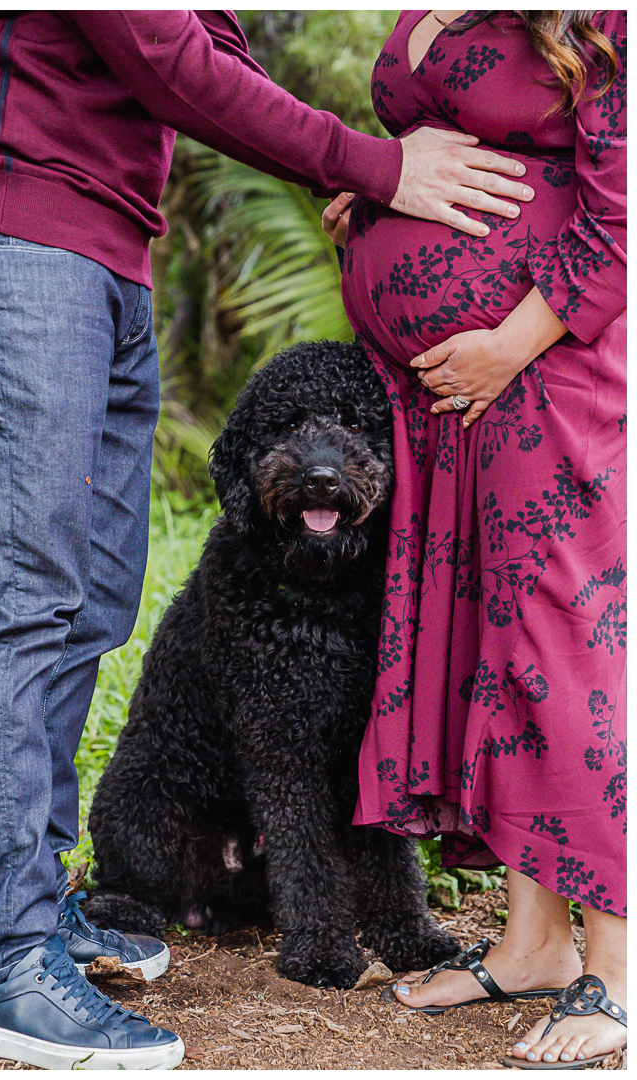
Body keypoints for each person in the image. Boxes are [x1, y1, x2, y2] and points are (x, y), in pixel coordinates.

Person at [0, 9, 537, 1072]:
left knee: (92, 599)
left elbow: (211, 39)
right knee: (24, 603)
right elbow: (165, 56)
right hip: (18, 234)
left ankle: (27, 904)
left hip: (107, 248)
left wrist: (338, 169)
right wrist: (375, 163)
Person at [323, 9, 626, 1070]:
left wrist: (506, 342)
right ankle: (534, 944)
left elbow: (623, 198)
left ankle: (621, 976)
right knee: (501, 654)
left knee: (566, 649)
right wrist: (375, 193)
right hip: (455, 397)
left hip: (546, 365)